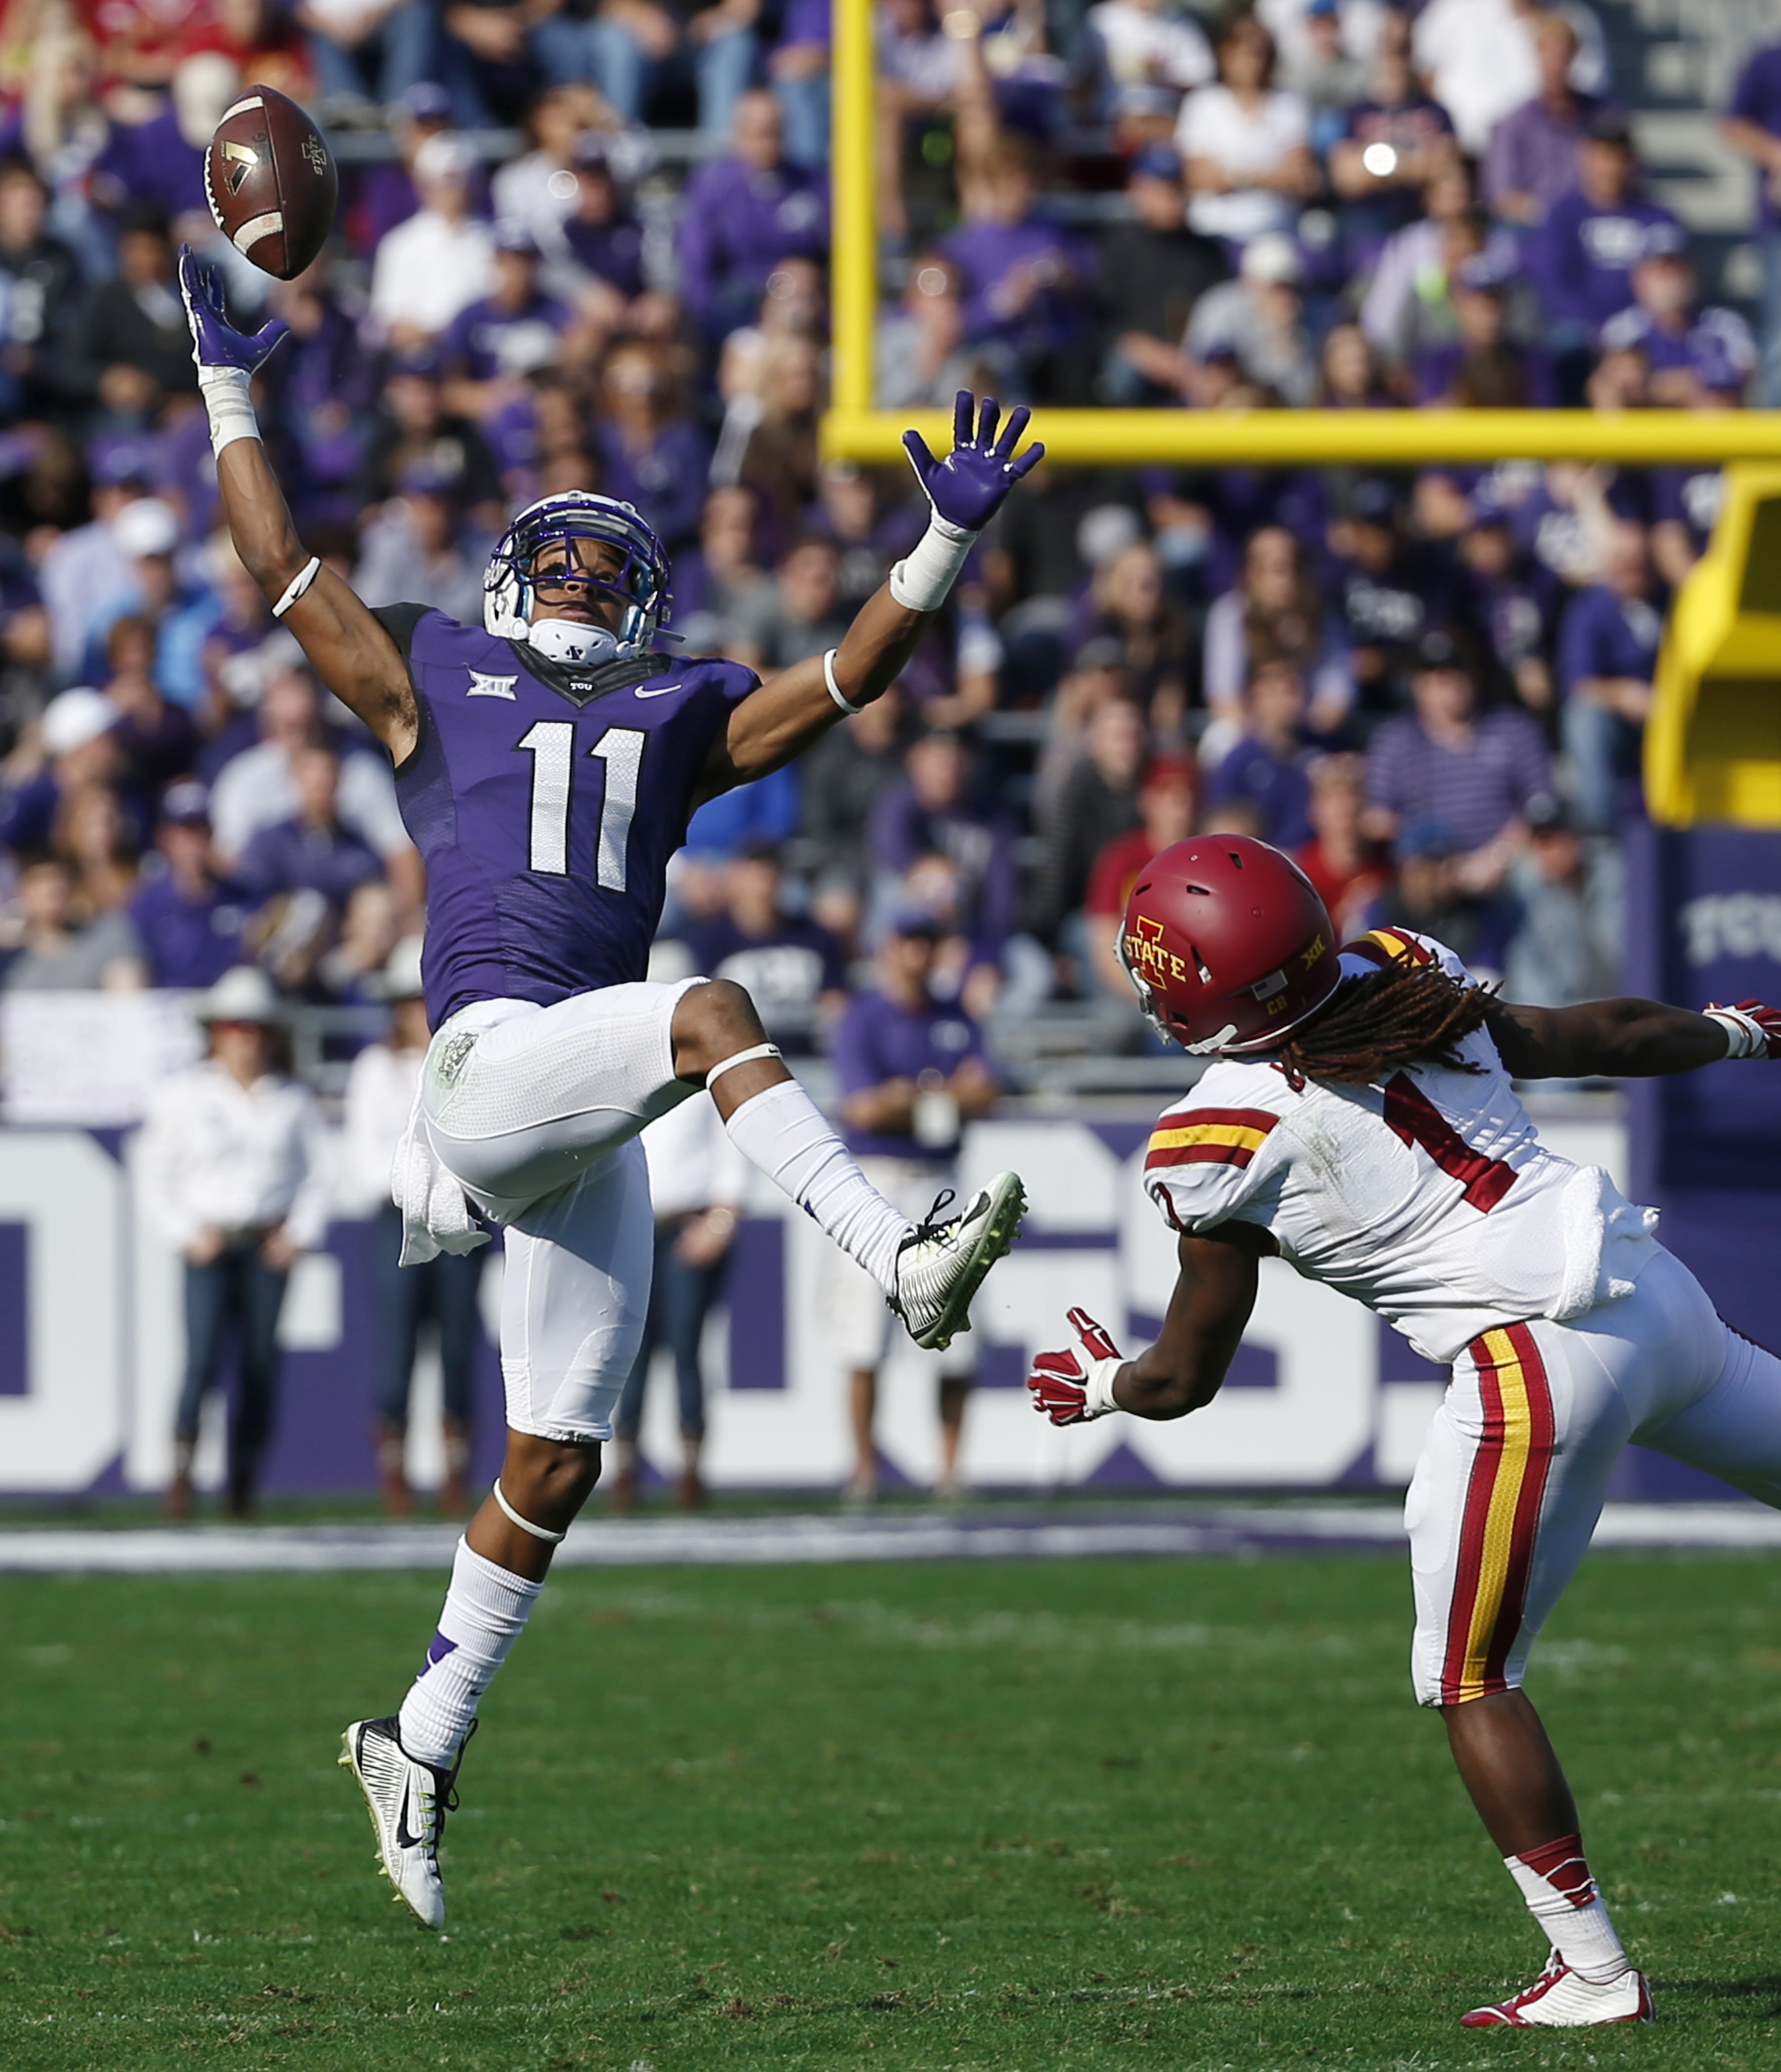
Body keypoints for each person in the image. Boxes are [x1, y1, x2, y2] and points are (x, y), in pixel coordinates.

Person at [181, 250, 1031, 1930]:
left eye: (597, 560)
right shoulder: (431, 668)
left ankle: (416, 1737)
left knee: (558, 1457)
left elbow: (844, 684)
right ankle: (897, 1257)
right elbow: (279, 562)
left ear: (638, 597)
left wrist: (939, 543)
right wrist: (227, 390)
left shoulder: (680, 701)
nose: (572, 573)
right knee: (711, 999)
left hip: (592, 1103)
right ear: (511, 578)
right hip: (495, 1059)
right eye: (551, 554)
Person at [1028, 833, 1781, 2026]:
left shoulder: (1216, 1135)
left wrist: (1105, 1383)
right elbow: (1605, 1038)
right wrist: (1743, 1030)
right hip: (1657, 1296)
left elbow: (1185, 1374)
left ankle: (1592, 1972)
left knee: (1469, 1673)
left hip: (1530, 1364)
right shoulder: (1397, 966)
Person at [139, 965, 328, 1520]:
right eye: (236, 1027)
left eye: (258, 1028)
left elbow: (316, 1174)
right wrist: (186, 1232)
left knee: (259, 1365)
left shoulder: (292, 1098)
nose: (247, 1038)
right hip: (211, 1243)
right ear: (217, 1031)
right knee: (200, 1361)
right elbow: (156, 1174)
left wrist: (297, 1236)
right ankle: (182, 1475)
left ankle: (243, 1483)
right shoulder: (184, 1095)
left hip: (266, 1245)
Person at [827, 909, 999, 1506]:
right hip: (877, 1180)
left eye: (927, 942)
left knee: (955, 1332)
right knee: (863, 1335)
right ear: (889, 946)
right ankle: (865, 1469)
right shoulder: (864, 1017)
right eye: (909, 941)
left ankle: (950, 1469)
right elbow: (863, 1109)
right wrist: (944, 1097)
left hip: (942, 1180)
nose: (918, 954)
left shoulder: (955, 1016)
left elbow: (988, 1091)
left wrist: (915, 1097)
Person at [344, 936, 484, 1517]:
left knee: (457, 1348)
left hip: (461, 1222)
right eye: (410, 1001)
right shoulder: (376, 1068)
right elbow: (366, 1156)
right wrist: (427, 1188)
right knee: (399, 1349)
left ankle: (456, 1473)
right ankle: (394, 1474)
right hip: (401, 1219)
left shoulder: (472, 1064)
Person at [609, 1087, 745, 1513]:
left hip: (688, 1224)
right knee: (630, 1352)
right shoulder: (626, 1074)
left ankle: (690, 1471)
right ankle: (624, 1470)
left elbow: (732, 1149)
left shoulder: (700, 1081)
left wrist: (721, 1222)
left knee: (686, 1348)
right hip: (632, 1230)